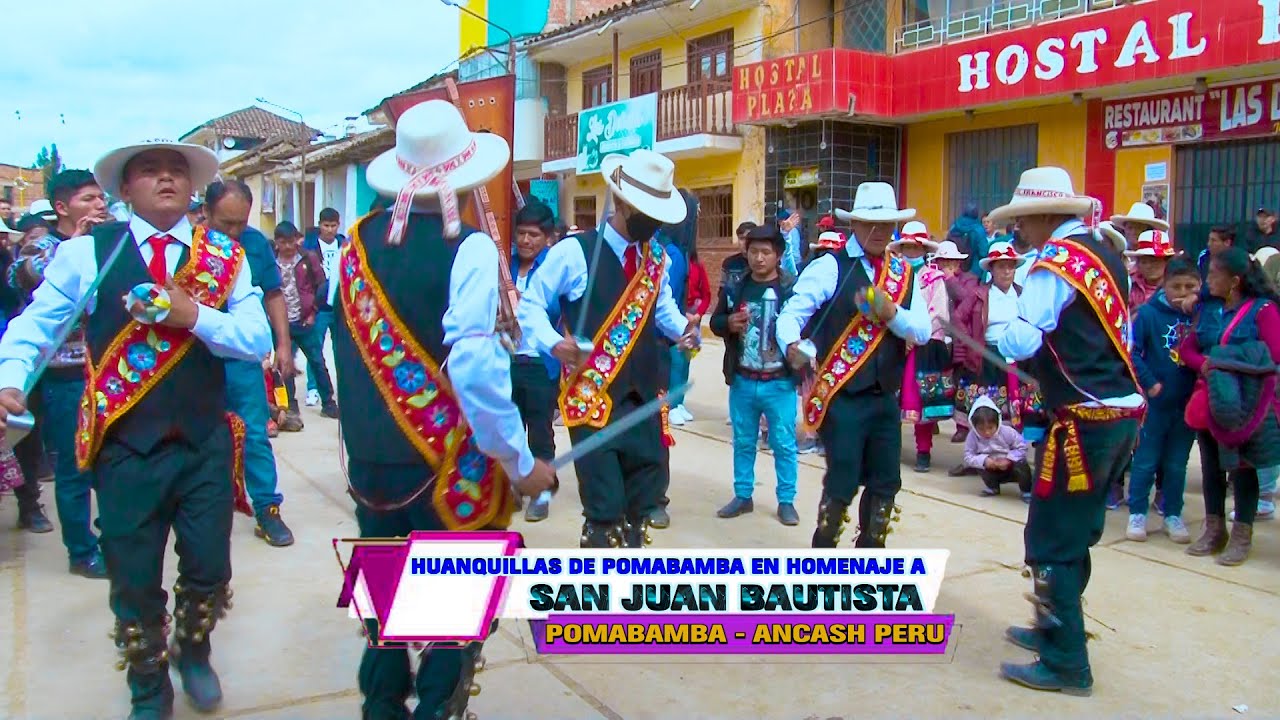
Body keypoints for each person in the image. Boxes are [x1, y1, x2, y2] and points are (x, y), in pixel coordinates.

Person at [0, 139, 271, 717]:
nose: (166, 179)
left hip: (203, 442)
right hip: (126, 445)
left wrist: (192, 315)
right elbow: (35, 325)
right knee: (133, 577)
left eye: (177, 171)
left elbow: (256, 341)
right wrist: (11, 378)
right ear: (125, 190)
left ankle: (193, 650)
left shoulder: (226, 255)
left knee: (207, 565)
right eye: (149, 171)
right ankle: (148, 686)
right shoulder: (88, 253)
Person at [333, 101, 555, 719]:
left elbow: (343, 347)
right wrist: (517, 458)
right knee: (451, 607)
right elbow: (477, 368)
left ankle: (380, 707)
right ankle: (434, 708)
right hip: (445, 466)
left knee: (385, 604)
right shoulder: (474, 250)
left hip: (372, 462)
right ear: (468, 176)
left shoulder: (351, 248)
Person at [993, 167, 1144, 696]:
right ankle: (1052, 631)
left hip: (1084, 421)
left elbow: (1017, 340)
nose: (1020, 233)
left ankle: (1066, 662)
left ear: (1042, 216)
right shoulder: (1104, 253)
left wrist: (999, 325)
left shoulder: (1054, 265)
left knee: (1052, 538)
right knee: (1073, 532)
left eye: (1023, 221)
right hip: (1118, 415)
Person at [516, 148, 699, 548]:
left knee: (640, 508)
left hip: (643, 401)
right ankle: (595, 602)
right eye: (646, 212)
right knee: (604, 510)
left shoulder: (657, 258)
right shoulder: (574, 252)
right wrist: (553, 343)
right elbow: (529, 304)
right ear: (621, 202)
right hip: (594, 400)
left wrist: (686, 329)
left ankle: (624, 603)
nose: (653, 223)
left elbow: (662, 310)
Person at [777, 181, 931, 548]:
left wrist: (891, 314)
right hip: (842, 396)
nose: (878, 232)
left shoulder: (905, 275)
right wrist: (792, 344)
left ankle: (868, 561)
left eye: (886, 225)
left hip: (884, 398)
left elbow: (922, 330)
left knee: (885, 484)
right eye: (869, 224)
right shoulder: (831, 266)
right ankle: (823, 557)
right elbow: (791, 314)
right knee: (842, 480)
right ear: (855, 225)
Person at [9, 169, 108, 574]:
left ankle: (111, 535)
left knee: (108, 460)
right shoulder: (46, 244)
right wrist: (74, 246)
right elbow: (25, 275)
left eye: (101, 198)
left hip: (103, 369)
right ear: (62, 207)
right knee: (74, 464)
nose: (99, 205)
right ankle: (81, 551)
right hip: (64, 375)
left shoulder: (107, 243)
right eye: (88, 199)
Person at [203, 180, 295, 546]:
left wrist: (283, 345)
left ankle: (267, 508)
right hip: (195, 360)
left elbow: (273, 294)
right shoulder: (189, 249)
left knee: (255, 432)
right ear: (206, 214)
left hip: (241, 358)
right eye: (226, 224)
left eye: (241, 222)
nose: (234, 232)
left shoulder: (254, 244)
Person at [1178, 246, 1280, 566]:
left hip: (1245, 405)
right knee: (1211, 467)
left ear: (1234, 281)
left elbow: (1273, 355)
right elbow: (1188, 349)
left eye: (1213, 275)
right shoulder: (1210, 310)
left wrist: (1224, 361)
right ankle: (1214, 530)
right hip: (1211, 400)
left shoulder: (1262, 311)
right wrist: (1208, 364)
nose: (1206, 281)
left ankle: (1241, 536)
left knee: (1242, 469)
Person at [710, 224, 800, 526]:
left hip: (779, 382)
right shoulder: (736, 287)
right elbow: (715, 321)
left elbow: (807, 327)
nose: (758, 258)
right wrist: (728, 322)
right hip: (744, 379)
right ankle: (743, 495)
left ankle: (786, 500)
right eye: (753, 251)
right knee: (744, 441)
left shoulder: (791, 290)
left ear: (778, 255)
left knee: (784, 444)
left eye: (766, 252)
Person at [1126, 258, 1200, 544]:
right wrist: (1150, 383)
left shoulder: (1200, 315)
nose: (1182, 291)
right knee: (1145, 460)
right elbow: (1132, 351)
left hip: (1187, 402)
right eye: (1176, 286)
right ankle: (1137, 513)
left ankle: (1173, 513)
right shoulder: (1147, 315)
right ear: (1164, 286)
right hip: (1156, 403)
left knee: (1177, 463)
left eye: (1190, 286)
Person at [509, 201, 562, 523]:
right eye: (521, 234)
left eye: (533, 235)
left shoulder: (555, 268)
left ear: (548, 237)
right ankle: (515, 485)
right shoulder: (505, 267)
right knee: (511, 430)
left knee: (539, 431)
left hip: (541, 364)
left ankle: (541, 492)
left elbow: (561, 311)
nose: (526, 241)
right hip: (508, 360)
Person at [889, 222, 951, 473]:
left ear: (923, 248)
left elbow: (938, 312)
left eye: (915, 247)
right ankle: (889, 448)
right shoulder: (894, 276)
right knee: (891, 397)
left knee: (921, 398)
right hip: (895, 342)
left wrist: (914, 334)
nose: (911, 251)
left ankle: (923, 451)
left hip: (923, 345)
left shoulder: (934, 278)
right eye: (907, 247)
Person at [952, 242, 1028, 436]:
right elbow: (958, 317)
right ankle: (981, 455)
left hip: (1017, 359)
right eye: (1001, 266)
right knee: (986, 411)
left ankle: (1011, 456)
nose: (1007, 272)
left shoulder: (1022, 294)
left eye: (1010, 266)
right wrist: (970, 342)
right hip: (987, 358)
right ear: (992, 270)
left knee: (1014, 413)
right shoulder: (980, 294)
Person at [272, 222, 331, 431]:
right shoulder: (271, 261)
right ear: (277, 243)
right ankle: (289, 406)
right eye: (283, 242)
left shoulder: (308, 258)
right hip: (281, 323)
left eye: (291, 241)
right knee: (283, 366)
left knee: (317, 361)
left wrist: (314, 311)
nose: (288, 247)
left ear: (297, 239)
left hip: (305, 320)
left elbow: (322, 285)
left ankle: (328, 402)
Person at [301, 207, 345, 417]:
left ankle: (342, 389)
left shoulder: (344, 244)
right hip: (318, 306)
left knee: (341, 349)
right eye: (326, 225)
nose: (330, 230)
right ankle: (313, 388)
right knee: (315, 350)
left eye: (333, 225)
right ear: (320, 225)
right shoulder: (309, 246)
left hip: (339, 305)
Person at [963, 396, 1032, 500]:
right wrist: (984, 460)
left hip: (1011, 467)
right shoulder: (973, 436)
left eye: (990, 428)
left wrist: (1009, 459)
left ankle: (1026, 490)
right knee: (979, 465)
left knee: (1022, 463)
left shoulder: (1007, 432)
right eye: (981, 429)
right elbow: (968, 455)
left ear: (997, 422)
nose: (987, 432)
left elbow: (1022, 447)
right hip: (991, 467)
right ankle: (992, 487)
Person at [1125, 229, 1175, 309]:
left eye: (1154, 261)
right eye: (1144, 262)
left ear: (1166, 262)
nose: (1149, 266)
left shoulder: (1177, 286)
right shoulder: (1129, 285)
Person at [947, 201, 988, 276]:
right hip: (973, 271)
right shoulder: (979, 229)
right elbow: (984, 252)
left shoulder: (954, 226)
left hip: (954, 269)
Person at [1196, 225, 1235, 293]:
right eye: (1209, 240)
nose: (1209, 244)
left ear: (1227, 243)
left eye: (1213, 241)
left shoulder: (1236, 260)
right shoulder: (1204, 256)